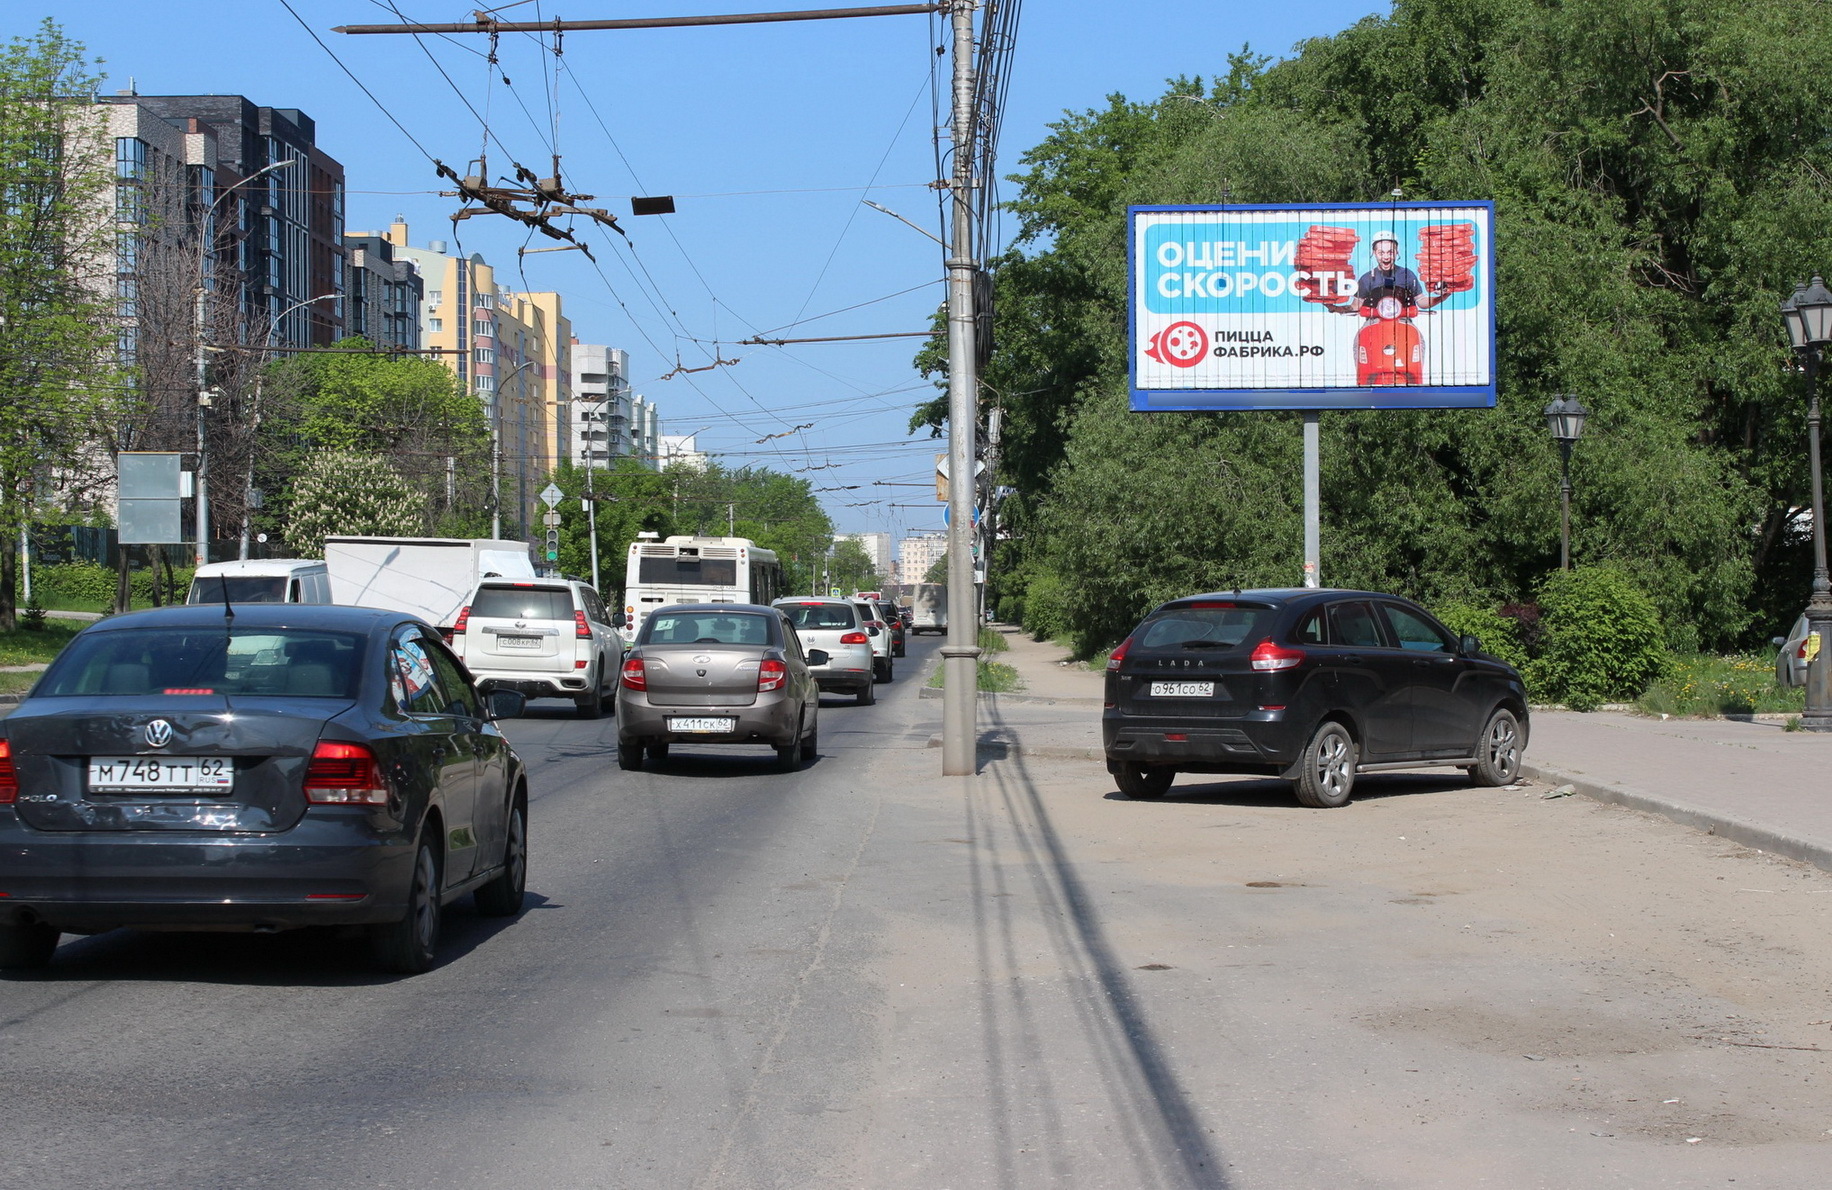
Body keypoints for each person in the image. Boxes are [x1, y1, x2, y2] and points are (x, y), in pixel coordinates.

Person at [1332, 230, 1450, 313]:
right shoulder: (1366, 279)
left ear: (1397, 252)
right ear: (1374, 253)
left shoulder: (1407, 275)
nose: (1386, 257)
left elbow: (1421, 301)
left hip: (1403, 323)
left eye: (1390, 252)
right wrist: (1337, 308)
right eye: (1381, 253)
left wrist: (1442, 297)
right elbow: (1356, 305)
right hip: (1374, 324)